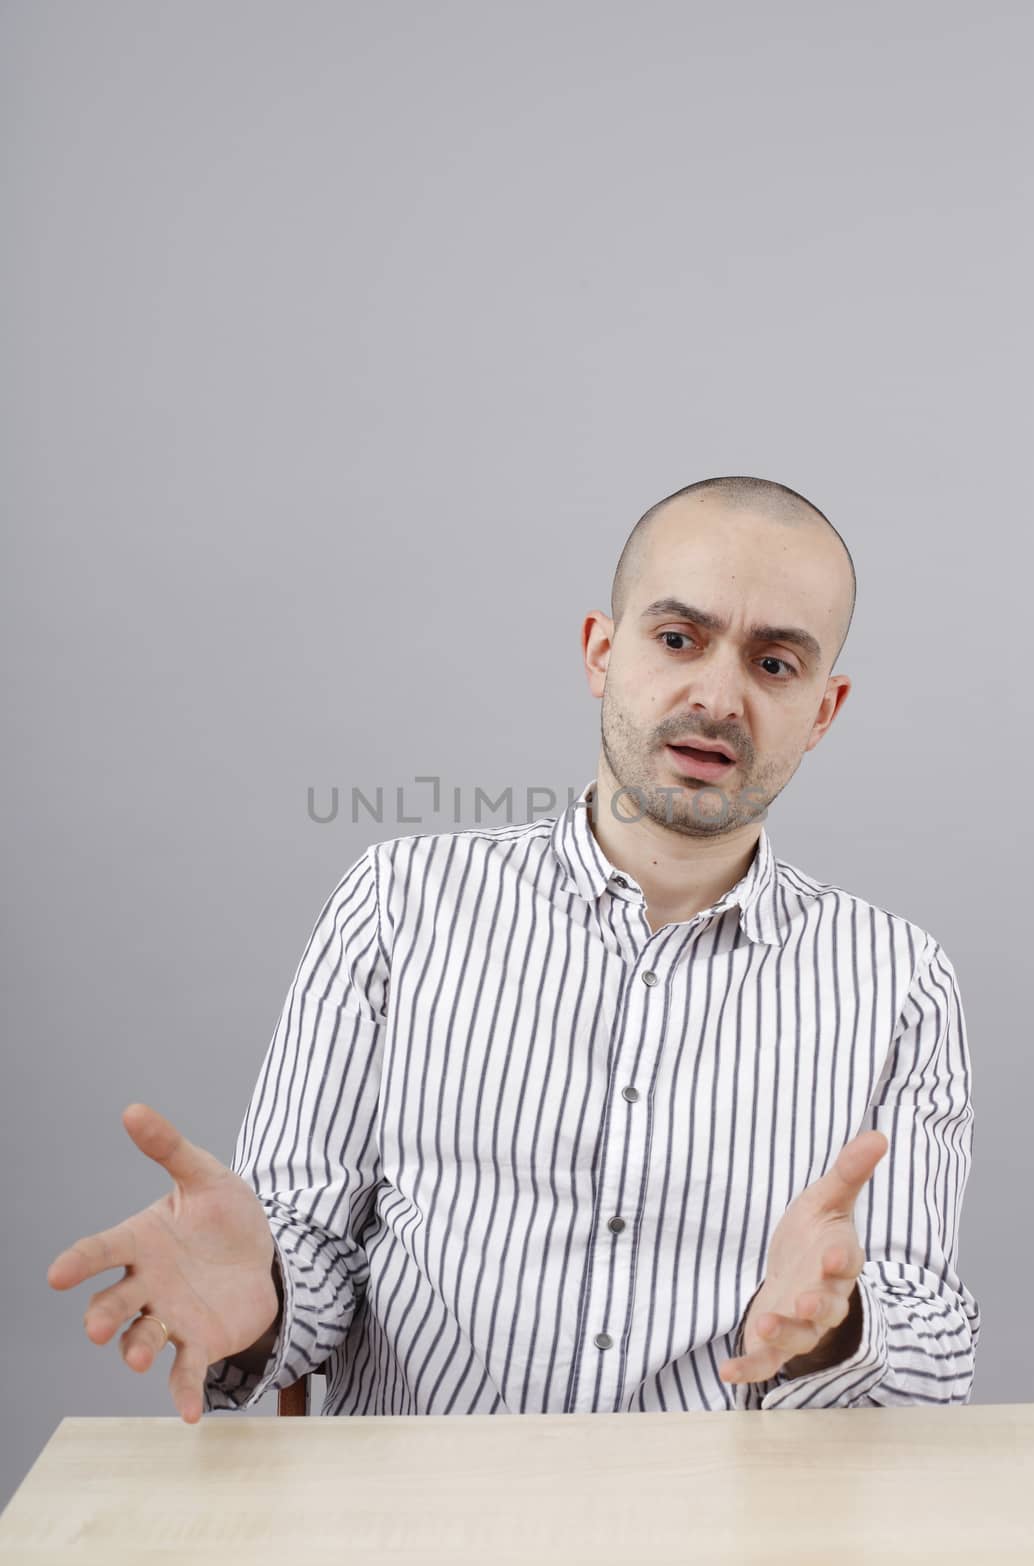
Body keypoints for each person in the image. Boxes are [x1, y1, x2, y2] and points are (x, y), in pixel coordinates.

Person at [47, 474, 981, 1424]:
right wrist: (268, 1295)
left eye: (775, 664)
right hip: (415, 1547)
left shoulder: (898, 982)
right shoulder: (397, 904)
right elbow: (303, 1251)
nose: (718, 695)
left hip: (726, 1553)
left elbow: (935, 1348)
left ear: (823, 711)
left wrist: (837, 1327)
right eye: (676, 639)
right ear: (602, 653)